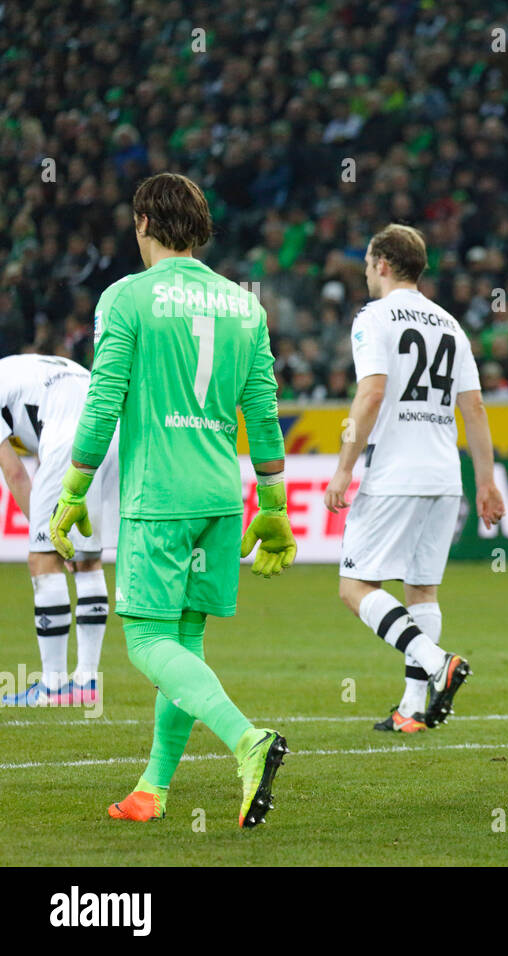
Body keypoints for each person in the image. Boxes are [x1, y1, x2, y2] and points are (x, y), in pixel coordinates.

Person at [51, 172, 296, 828]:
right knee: (184, 642)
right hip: (220, 496)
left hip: (160, 495)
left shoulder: (126, 298)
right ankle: (152, 789)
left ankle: (249, 741)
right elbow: (264, 413)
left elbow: (104, 402)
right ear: (203, 229)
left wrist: (72, 489)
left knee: (146, 643)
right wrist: (273, 504)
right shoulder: (245, 306)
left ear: (141, 225)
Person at [325, 224, 503, 733]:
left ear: (382, 264)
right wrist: (486, 482)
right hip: (445, 473)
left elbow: (372, 392)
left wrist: (343, 468)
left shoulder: (372, 318)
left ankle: (436, 660)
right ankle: (412, 708)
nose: (365, 273)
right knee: (421, 590)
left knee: (355, 585)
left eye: (366, 264)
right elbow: (474, 408)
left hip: (396, 471)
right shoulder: (450, 323)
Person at [0, 354, 118, 707]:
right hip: (110, 432)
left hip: (67, 438)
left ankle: (51, 688)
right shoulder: (21, 367)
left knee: (43, 562)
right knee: (87, 559)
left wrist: (47, 534)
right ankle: (85, 683)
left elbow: (16, 474)